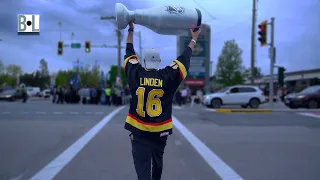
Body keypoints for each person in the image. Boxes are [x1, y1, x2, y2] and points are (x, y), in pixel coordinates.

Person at [123, 21, 201, 180]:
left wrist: (131, 30)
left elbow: (129, 52)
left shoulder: (135, 73)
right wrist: (193, 39)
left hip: (139, 132)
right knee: (157, 165)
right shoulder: (167, 76)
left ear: (143, 61)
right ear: (158, 62)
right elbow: (183, 59)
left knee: (143, 172)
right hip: (160, 132)